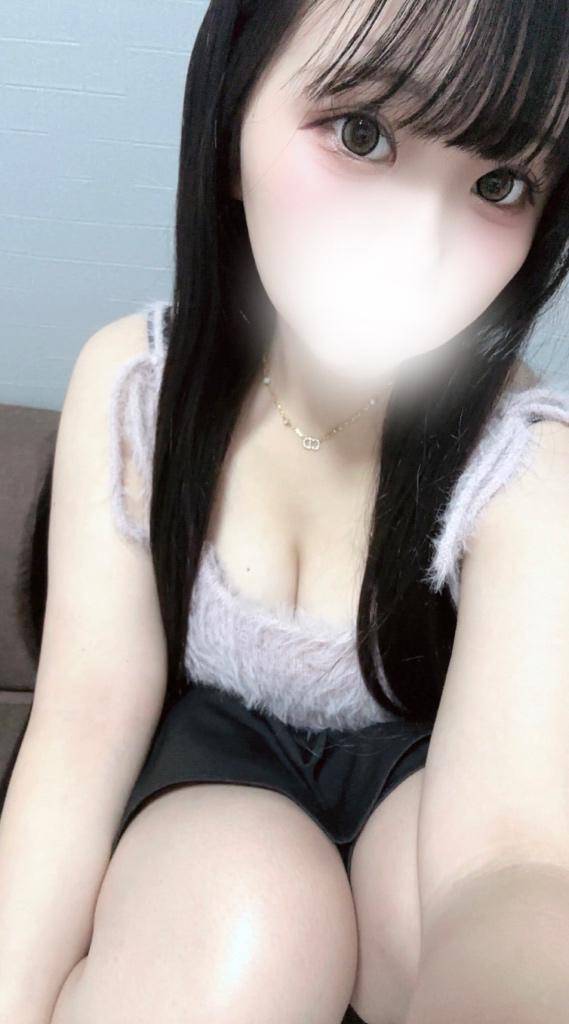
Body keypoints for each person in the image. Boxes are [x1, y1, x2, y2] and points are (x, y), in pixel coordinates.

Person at [2, 1, 569, 1022]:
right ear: (231, 118)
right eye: (362, 132)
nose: (417, 249)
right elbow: (81, 731)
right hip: (207, 770)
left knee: (429, 913)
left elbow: (514, 858)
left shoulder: (524, 459)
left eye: (498, 183)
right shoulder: (136, 387)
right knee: (247, 914)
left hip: (427, 771)